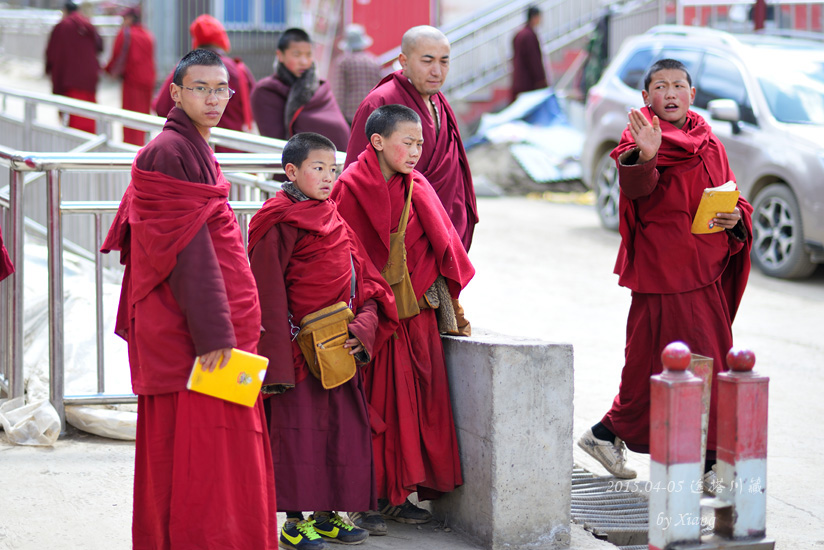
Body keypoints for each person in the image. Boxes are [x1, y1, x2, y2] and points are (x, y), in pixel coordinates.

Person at [101, 49, 278, 549]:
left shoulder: (193, 144)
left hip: (218, 325)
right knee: (209, 445)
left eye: (221, 88)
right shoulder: (169, 151)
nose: (213, 98)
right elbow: (186, 253)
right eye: (200, 87)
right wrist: (216, 335)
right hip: (197, 336)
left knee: (224, 444)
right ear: (175, 93)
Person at [576, 59, 753, 486]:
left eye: (678, 85)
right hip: (664, 268)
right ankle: (710, 465)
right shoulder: (637, 137)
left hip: (704, 266)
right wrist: (648, 154)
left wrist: (736, 219)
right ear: (646, 97)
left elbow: (731, 193)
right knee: (702, 359)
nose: (670, 93)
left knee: (651, 363)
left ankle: (606, 434)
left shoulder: (708, 140)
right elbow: (635, 188)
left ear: (692, 94)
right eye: (660, 86)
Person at [248, 132, 399, 549]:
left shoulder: (333, 216)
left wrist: (363, 329)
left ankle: (328, 516)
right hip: (296, 350)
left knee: (340, 433)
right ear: (292, 172)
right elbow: (265, 295)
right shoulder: (276, 220)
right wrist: (276, 362)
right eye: (319, 168)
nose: (329, 177)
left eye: (333, 169)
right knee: (298, 435)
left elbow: (365, 280)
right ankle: (294, 522)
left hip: (337, 347)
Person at [330, 104, 475, 535]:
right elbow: (345, 256)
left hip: (415, 316)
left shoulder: (420, 186)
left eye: (419, 144)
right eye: (406, 143)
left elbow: (446, 247)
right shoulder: (350, 188)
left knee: (414, 407)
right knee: (372, 408)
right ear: (376, 141)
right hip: (374, 317)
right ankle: (363, 501)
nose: (414, 152)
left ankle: (396, 497)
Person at [344, 26, 478, 254]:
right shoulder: (381, 101)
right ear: (403, 61)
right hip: (398, 240)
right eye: (427, 61)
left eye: (444, 62)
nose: (437, 71)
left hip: (445, 231)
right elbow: (357, 178)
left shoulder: (440, 103)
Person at [153, 14, 255, 152]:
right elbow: (253, 111)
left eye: (221, 89)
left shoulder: (187, 69)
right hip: (233, 155)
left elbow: (161, 107)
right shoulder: (240, 70)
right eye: (201, 88)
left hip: (193, 152)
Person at [251, 28, 350, 151]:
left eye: (308, 55)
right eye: (296, 55)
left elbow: (338, 129)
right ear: (280, 55)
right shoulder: (267, 91)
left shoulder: (321, 88)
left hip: (336, 163)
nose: (304, 62)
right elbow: (274, 141)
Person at [45, 1, 103, 133]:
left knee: (76, 119)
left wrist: (49, 70)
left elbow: (53, 53)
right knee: (88, 113)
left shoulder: (63, 26)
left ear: (65, 11)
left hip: (70, 78)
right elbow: (100, 46)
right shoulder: (88, 25)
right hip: (89, 77)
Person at [104, 6, 156, 145]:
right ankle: (143, 147)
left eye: (124, 18)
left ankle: (131, 151)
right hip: (148, 80)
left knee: (130, 119)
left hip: (132, 80)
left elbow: (118, 55)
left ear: (130, 19)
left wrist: (108, 70)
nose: (122, 21)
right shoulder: (148, 34)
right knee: (143, 117)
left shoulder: (126, 33)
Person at [331, 24, 383, 125]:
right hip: (373, 112)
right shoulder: (374, 61)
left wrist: (337, 115)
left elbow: (339, 91)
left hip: (351, 116)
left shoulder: (343, 62)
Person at [511, 6, 548, 101]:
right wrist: (541, 81)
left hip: (518, 80)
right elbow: (534, 60)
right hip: (528, 82)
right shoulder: (528, 36)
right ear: (534, 17)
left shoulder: (519, 34)